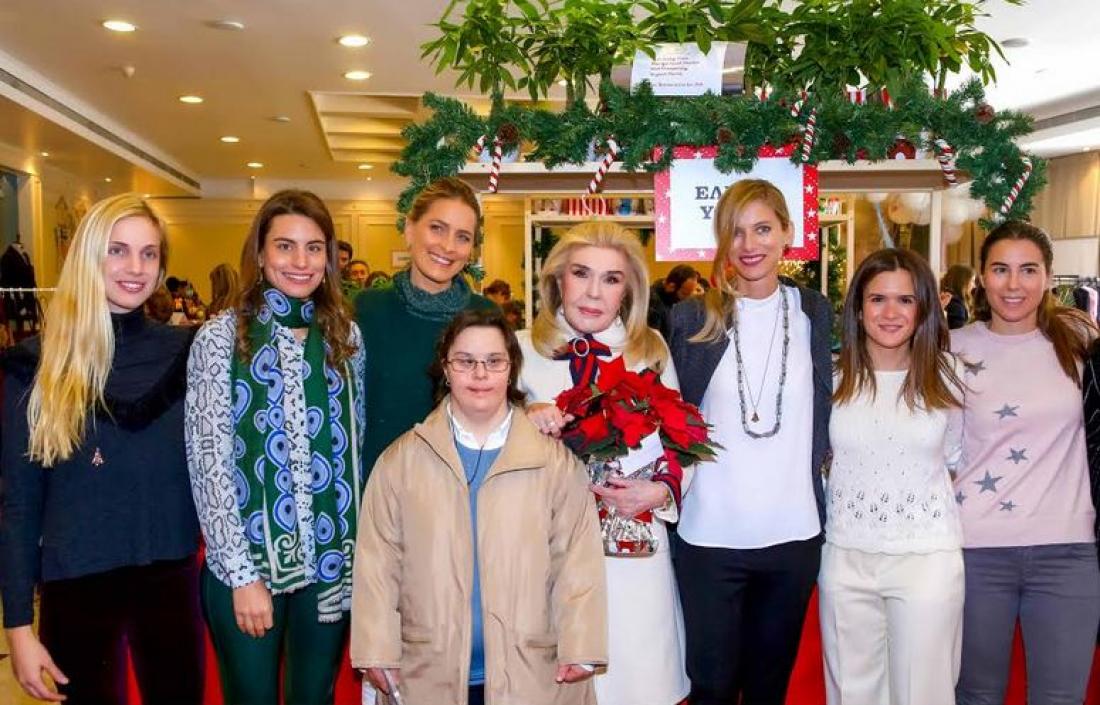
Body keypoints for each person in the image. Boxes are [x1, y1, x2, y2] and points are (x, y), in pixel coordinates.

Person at [0, 193, 203, 704]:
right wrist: (18, 626)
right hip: (76, 583)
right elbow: (18, 505)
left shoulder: (189, 352)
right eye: (118, 250)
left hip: (171, 577)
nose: (135, 267)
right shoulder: (35, 365)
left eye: (149, 253)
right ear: (89, 255)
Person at [351, 309, 606, 705]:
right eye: (465, 361)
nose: (480, 374)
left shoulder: (554, 464)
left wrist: (583, 644)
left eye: (494, 361)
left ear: (511, 368)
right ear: (445, 368)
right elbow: (377, 563)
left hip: (532, 675)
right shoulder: (400, 462)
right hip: (427, 674)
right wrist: (376, 647)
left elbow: (577, 561)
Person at [185, 189, 365, 705]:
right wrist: (242, 577)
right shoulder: (221, 338)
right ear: (260, 254)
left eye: (314, 247)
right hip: (247, 564)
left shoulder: (346, 338)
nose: (300, 261)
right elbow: (209, 465)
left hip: (330, 564)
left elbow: (352, 449)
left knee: (316, 695)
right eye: (285, 246)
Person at [668, 179, 833, 705]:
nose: (749, 244)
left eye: (763, 229)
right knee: (712, 690)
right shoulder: (693, 317)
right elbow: (669, 414)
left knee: (768, 691)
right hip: (708, 537)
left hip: (793, 537)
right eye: (736, 232)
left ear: (788, 232)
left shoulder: (814, 312)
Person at [516, 221, 689, 705]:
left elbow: (682, 441)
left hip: (632, 551)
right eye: (581, 273)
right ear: (557, 279)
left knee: (638, 684)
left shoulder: (651, 349)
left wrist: (660, 492)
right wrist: (523, 418)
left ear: (628, 290)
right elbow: (480, 438)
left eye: (611, 279)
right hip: (545, 555)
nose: (594, 292)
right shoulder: (520, 348)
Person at [951, 221, 1099, 705]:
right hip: (975, 551)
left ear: (1048, 276)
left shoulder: (1079, 340)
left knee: (1061, 697)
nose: (1013, 284)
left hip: (1068, 552)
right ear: (981, 276)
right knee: (976, 695)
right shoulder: (951, 348)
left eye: (1028, 270)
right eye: (1001, 269)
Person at [819, 248, 966, 705]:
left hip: (926, 558)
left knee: (924, 691)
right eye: (877, 299)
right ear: (858, 309)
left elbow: (955, 457)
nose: (890, 313)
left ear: (924, 308)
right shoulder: (831, 376)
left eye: (905, 300)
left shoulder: (948, 375)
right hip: (845, 555)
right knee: (852, 691)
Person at [355, 176, 496, 473]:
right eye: (437, 228)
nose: (448, 246)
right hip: (379, 483)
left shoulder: (486, 316)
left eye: (463, 237)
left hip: (464, 485)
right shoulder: (365, 310)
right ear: (409, 229)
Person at [648, 264, 699, 339]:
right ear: (671, 286)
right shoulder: (653, 303)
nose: (686, 299)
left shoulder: (669, 300)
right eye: (684, 294)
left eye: (689, 294)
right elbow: (653, 340)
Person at [940, 264, 975, 330]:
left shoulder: (954, 301)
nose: (974, 286)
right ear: (963, 282)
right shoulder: (956, 305)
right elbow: (959, 333)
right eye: (972, 281)